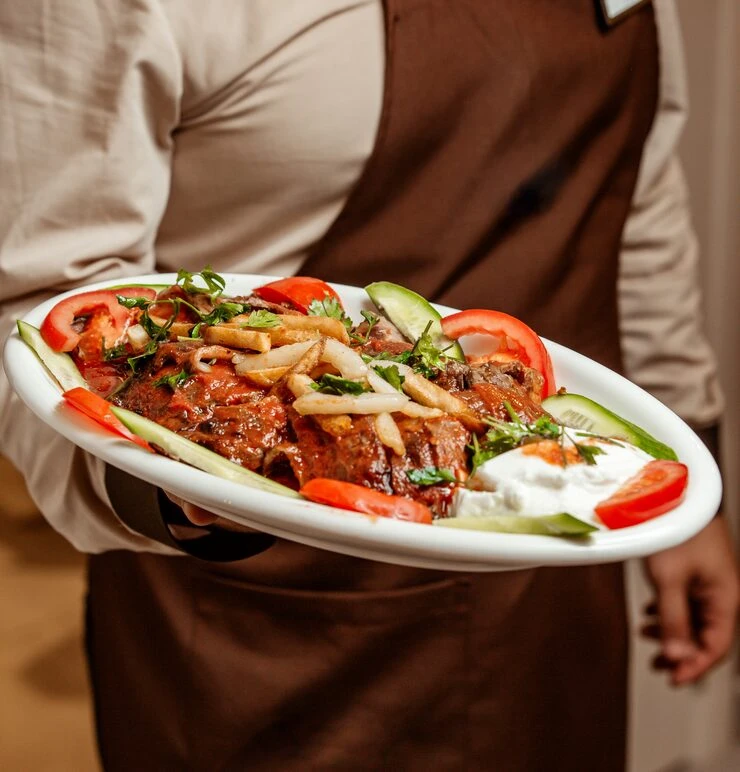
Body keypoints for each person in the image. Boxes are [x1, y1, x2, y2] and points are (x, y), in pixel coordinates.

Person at [0, 1, 737, 770]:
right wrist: (185, 485)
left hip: (552, 550)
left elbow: (635, 193)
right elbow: (36, 302)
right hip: (257, 597)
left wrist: (680, 479)